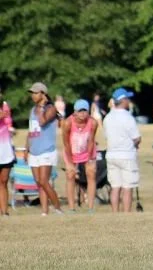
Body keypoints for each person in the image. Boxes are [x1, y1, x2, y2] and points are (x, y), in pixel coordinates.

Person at [24, 82, 63, 216]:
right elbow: (31, 131)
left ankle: (58, 208)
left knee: (44, 181)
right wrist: (26, 149)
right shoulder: (32, 110)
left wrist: (42, 106)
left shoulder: (50, 108)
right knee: (38, 183)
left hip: (46, 150)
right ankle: (44, 211)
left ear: (43, 94)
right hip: (34, 150)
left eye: (36, 93)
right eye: (32, 93)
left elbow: (42, 121)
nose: (33, 96)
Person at [104, 88, 141, 213]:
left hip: (111, 155)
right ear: (123, 100)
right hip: (126, 155)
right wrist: (136, 144)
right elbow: (136, 138)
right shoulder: (128, 117)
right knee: (127, 187)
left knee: (115, 187)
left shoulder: (107, 118)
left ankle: (115, 213)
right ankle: (126, 213)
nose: (129, 101)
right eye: (127, 99)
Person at [61, 99, 98, 212]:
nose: (82, 113)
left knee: (91, 174)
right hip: (71, 151)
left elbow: (91, 140)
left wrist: (90, 158)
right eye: (80, 111)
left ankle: (90, 207)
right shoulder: (68, 123)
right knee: (70, 175)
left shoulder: (93, 123)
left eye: (85, 111)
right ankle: (72, 208)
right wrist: (71, 161)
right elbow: (66, 142)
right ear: (75, 112)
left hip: (87, 151)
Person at [0, 87, 15, 217]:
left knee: (3, 181)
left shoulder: (5, 106)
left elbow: (8, 122)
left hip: (5, 149)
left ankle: (5, 211)